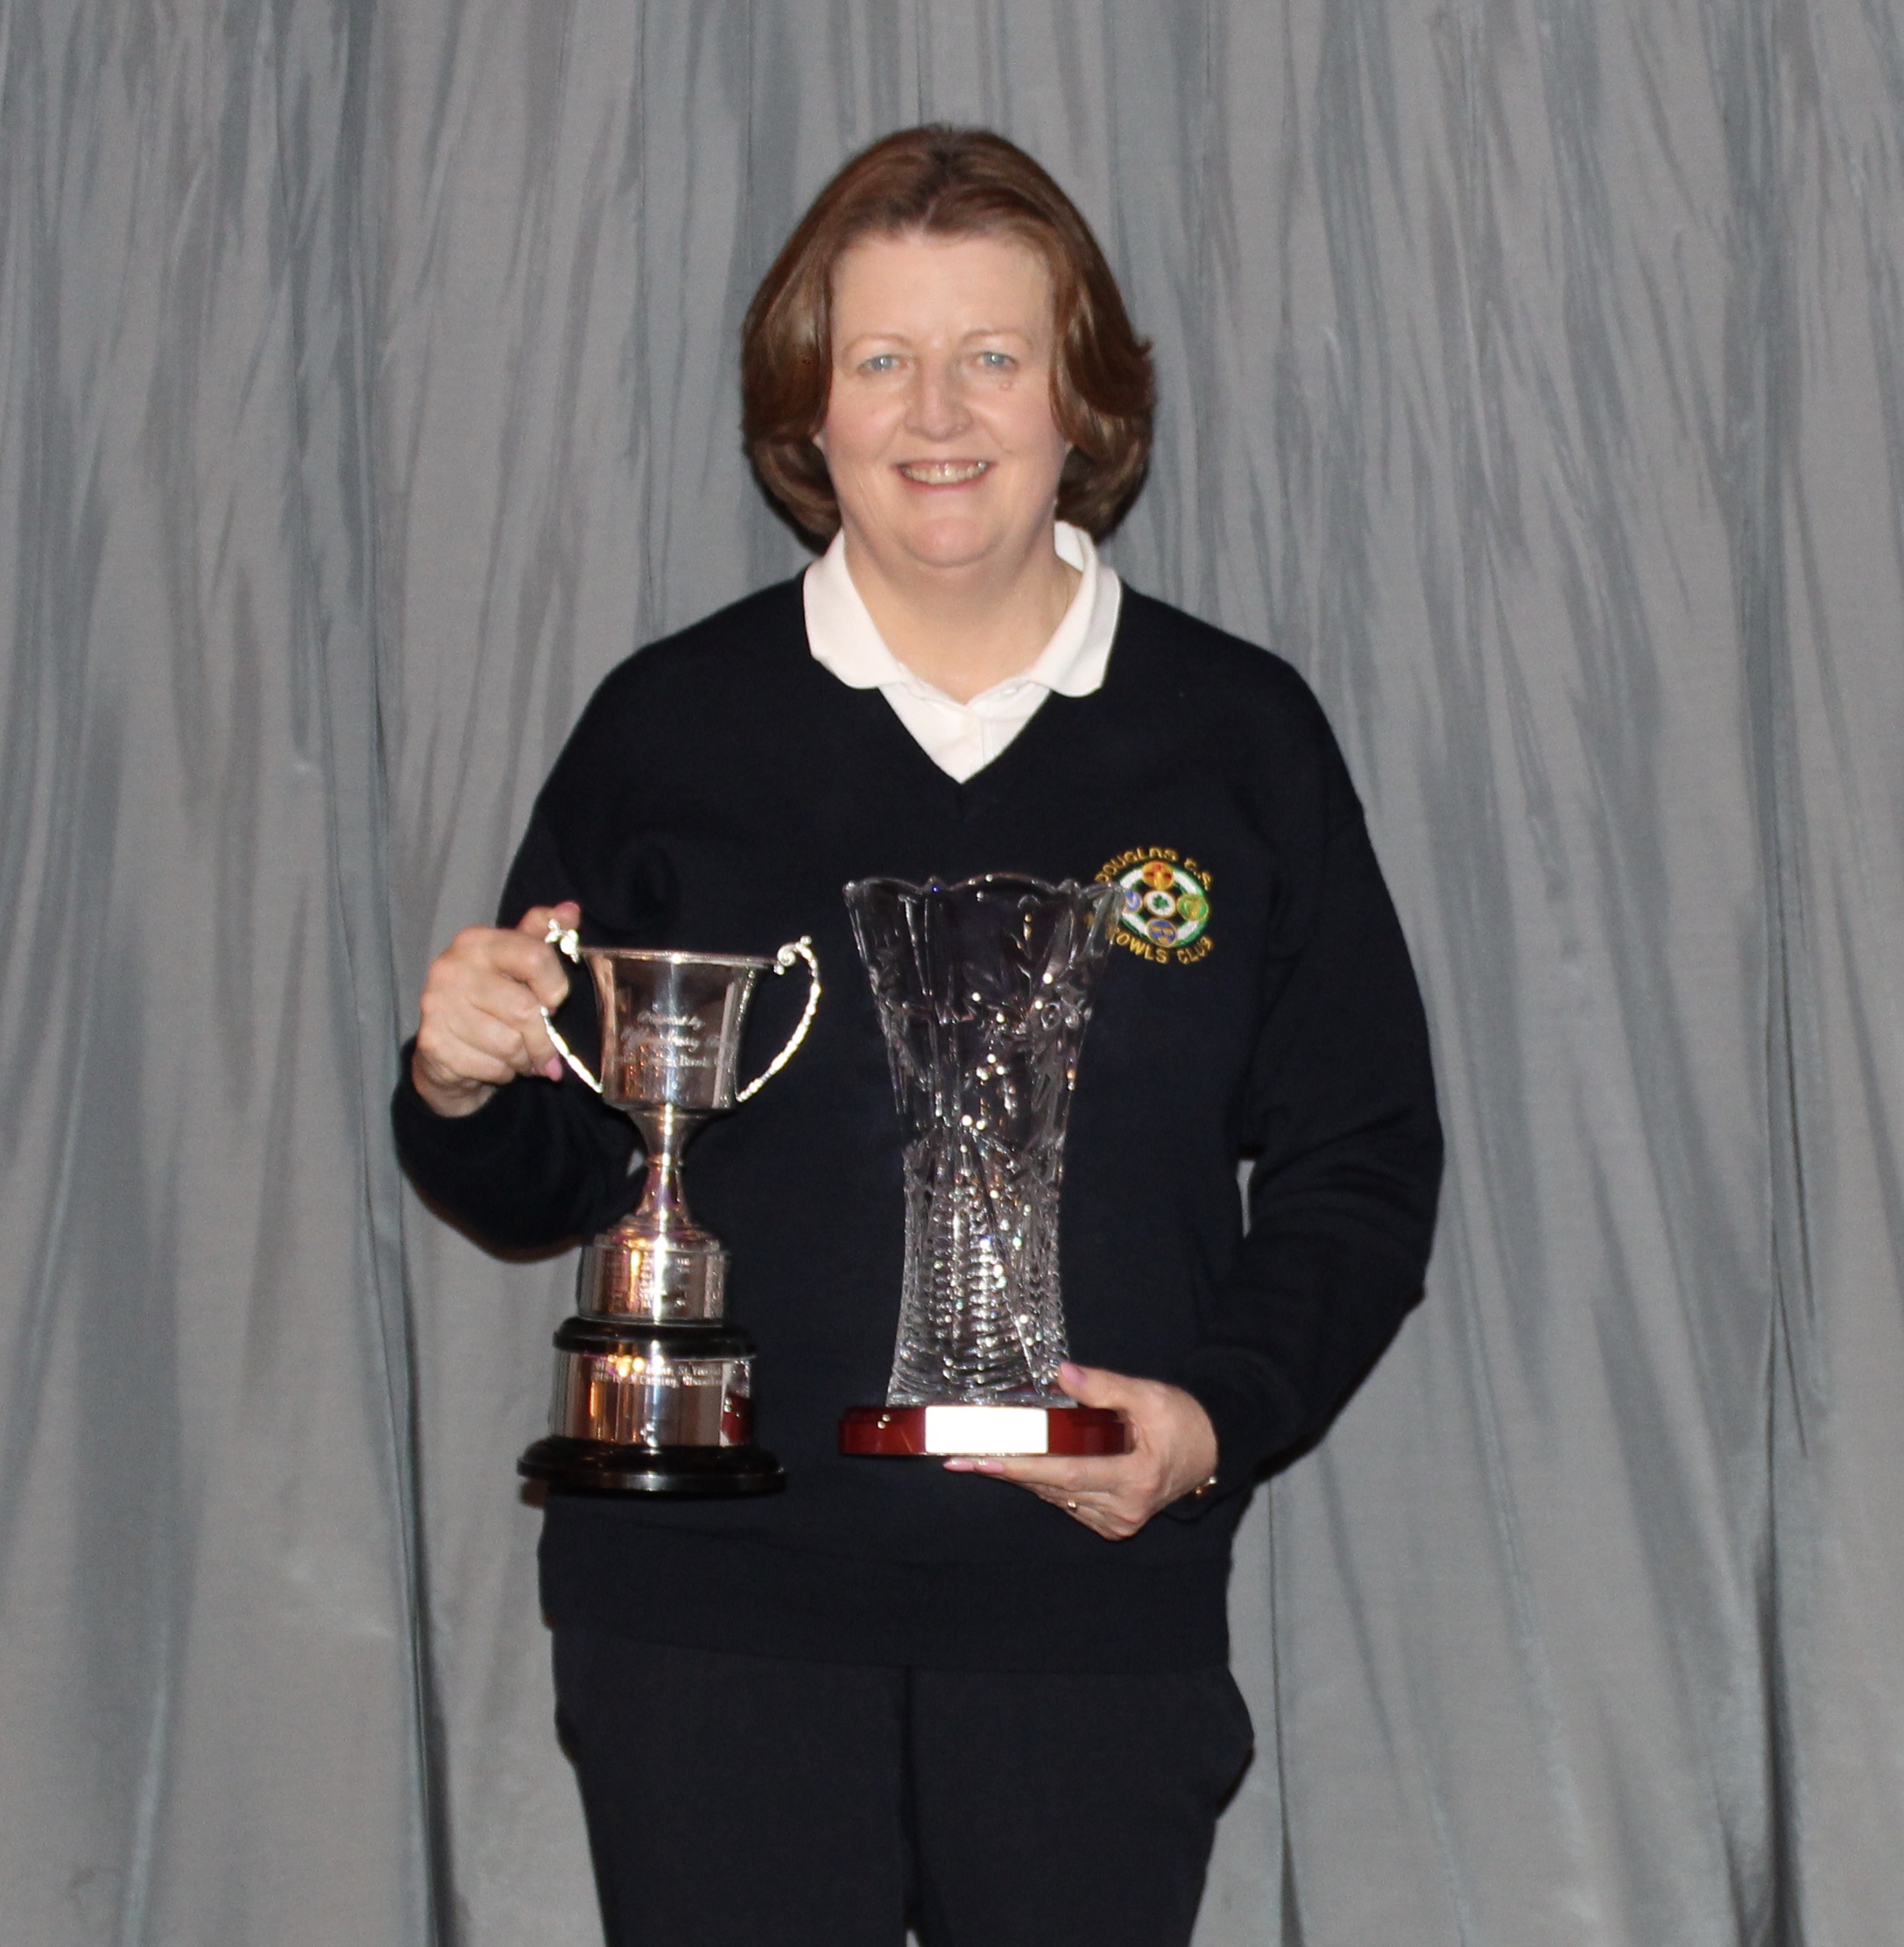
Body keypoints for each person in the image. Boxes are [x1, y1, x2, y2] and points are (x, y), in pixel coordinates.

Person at [393, 125, 1442, 1947]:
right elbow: (554, 1170)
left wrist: (1213, 1422)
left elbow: (1362, 1159)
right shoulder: (668, 727)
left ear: (1080, 396)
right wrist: (459, 1077)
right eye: (879, 357)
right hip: (703, 1617)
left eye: (992, 355)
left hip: (1087, 1614)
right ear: (806, 407)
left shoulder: (1238, 735)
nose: (935, 413)